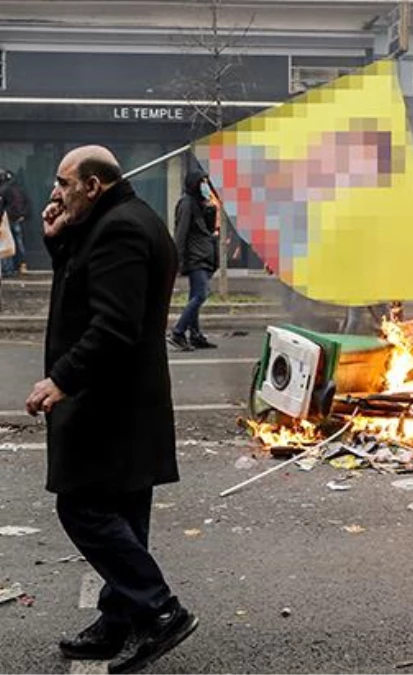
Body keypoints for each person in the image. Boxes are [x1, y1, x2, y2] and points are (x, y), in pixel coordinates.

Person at [27, 146, 197, 673]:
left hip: (109, 405)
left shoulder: (120, 230)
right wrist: (59, 242)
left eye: (63, 183)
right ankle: (119, 618)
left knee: (82, 506)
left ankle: (161, 609)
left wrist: (61, 378)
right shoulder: (120, 220)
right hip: (129, 404)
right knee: (123, 512)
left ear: (93, 186)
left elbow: (113, 325)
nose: (55, 193)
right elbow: (85, 287)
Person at [168, 168, 218, 351]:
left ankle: (195, 335)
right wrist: (176, 260)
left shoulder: (199, 203)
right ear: (194, 184)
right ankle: (178, 332)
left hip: (204, 257)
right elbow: (181, 233)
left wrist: (210, 210)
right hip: (195, 258)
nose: (205, 186)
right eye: (201, 182)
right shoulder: (186, 203)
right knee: (201, 294)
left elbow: (208, 229)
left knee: (195, 294)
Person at [0, 169, 30, 275]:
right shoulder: (18, 189)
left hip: (7, 220)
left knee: (5, 244)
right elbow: (26, 202)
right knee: (18, 243)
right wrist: (23, 215)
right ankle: (22, 265)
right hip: (17, 219)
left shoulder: (3, 190)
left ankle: (8, 269)